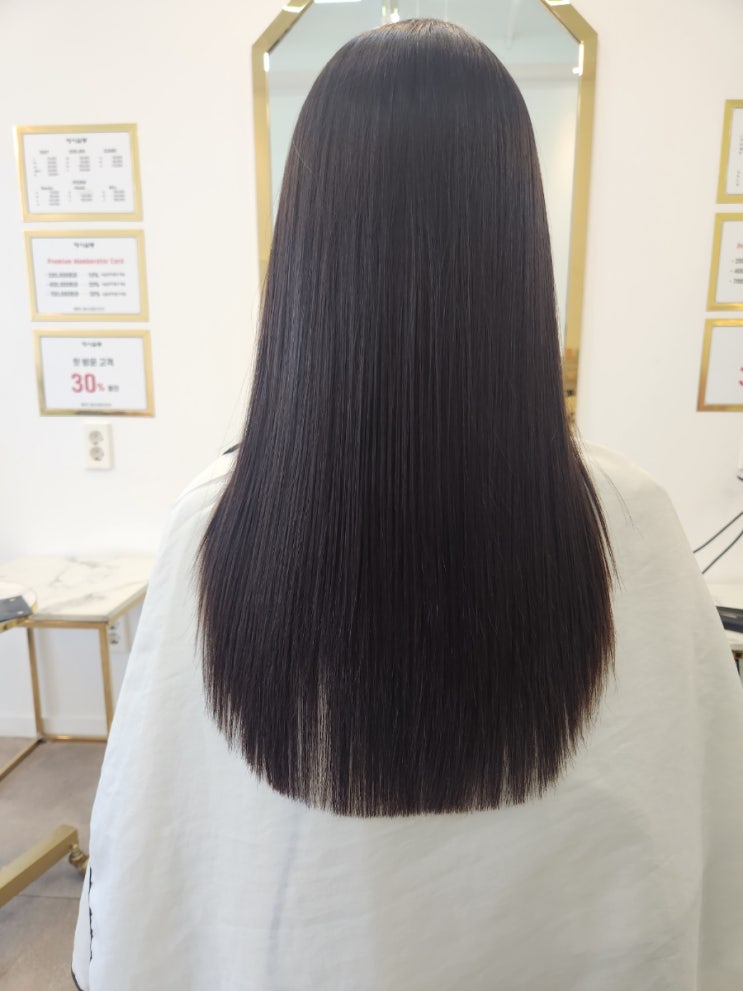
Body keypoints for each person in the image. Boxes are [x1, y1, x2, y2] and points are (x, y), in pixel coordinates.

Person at [72, 19, 743, 990]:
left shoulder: (215, 522)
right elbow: (703, 831)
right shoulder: (628, 520)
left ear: (304, 250)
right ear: (517, 242)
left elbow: (153, 860)